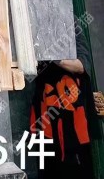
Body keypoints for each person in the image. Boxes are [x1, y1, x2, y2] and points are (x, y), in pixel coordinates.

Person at [30, 28, 98, 178]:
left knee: (77, 168)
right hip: (45, 116)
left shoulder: (71, 24)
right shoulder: (33, 27)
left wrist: (53, 56)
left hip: (73, 119)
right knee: (48, 169)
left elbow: (81, 65)